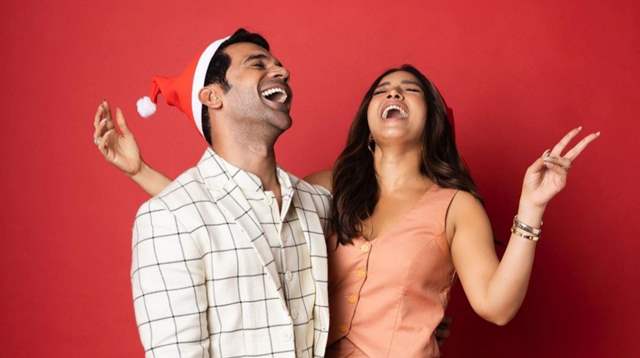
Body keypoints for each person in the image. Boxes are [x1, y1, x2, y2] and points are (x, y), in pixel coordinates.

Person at [95, 59, 598, 356]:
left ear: (432, 118)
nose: (394, 93)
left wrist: (531, 208)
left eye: (410, 90)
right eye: (382, 90)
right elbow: (238, 218)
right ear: (369, 115)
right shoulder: (327, 189)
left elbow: (496, 305)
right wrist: (142, 172)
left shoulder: (455, 207)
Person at [96, 29, 334, 358]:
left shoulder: (317, 204)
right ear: (212, 97)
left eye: (278, 64)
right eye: (257, 64)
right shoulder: (167, 217)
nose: (282, 71)